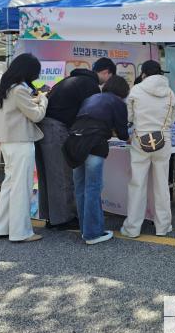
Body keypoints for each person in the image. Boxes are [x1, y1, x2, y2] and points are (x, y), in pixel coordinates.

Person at [35, 57, 116, 230]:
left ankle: (51, 217)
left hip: (43, 127)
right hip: (56, 128)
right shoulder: (90, 85)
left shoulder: (70, 80)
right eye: (110, 77)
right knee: (62, 174)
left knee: (48, 176)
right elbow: (92, 116)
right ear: (106, 72)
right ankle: (64, 219)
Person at [63, 75, 129, 245]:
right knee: (93, 189)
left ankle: (85, 230)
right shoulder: (118, 103)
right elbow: (123, 134)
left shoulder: (91, 98)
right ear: (123, 91)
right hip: (94, 144)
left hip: (74, 144)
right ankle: (93, 234)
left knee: (80, 188)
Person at [0, 53, 48, 242]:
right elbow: (37, 116)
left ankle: (1, 227)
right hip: (21, 142)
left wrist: (35, 100)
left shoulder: (6, 88)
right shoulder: (19, 90)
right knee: (21, 188)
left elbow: (19, 108)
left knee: (9, 185)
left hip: (7, 143)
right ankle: (20, 232)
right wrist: (43, 101)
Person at [121, 61, 175, 238]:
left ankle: (133, 228)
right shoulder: (169, 92)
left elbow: (129, 117)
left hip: (141, 140)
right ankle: (163, 227)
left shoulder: (136, 90)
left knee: (137, 183)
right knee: (161, 184)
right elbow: (172, 119)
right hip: (163, 139)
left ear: (144, 74)